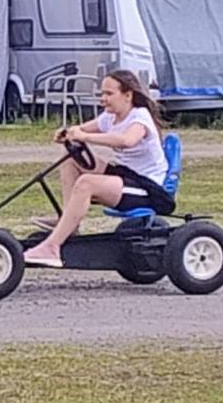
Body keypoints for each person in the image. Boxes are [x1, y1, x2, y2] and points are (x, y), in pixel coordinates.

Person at [23, 69, 175, 268]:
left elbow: (126, 140)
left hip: (147, 187)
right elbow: (81, 129)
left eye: (109, 94)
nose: (103, 98)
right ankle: (69, 221)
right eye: (102, 93)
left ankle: (52, 248)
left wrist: (85, 137)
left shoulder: (139, 117)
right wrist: (68, 133)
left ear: (128, 95)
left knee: (86, 184)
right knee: (69, 158)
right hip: (125, 175)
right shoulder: (110, 117)